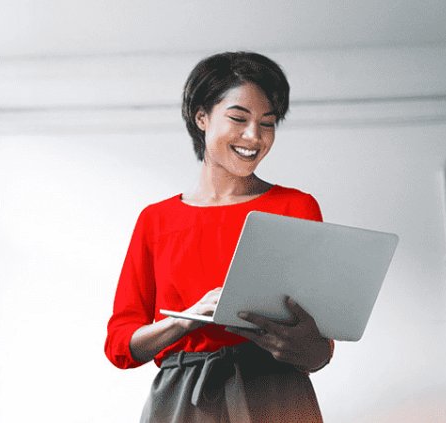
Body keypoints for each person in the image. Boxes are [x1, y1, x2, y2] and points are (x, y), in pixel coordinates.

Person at [104, 51, 334, 423]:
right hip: (184, 399)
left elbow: (320, 352)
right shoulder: (156, 220)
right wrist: (185, 320)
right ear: (201, 117)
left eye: (268, 123)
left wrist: (307, 346)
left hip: (277, 394)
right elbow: (120, 346)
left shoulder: (297, 206)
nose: (253, 137)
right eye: (239, 118)